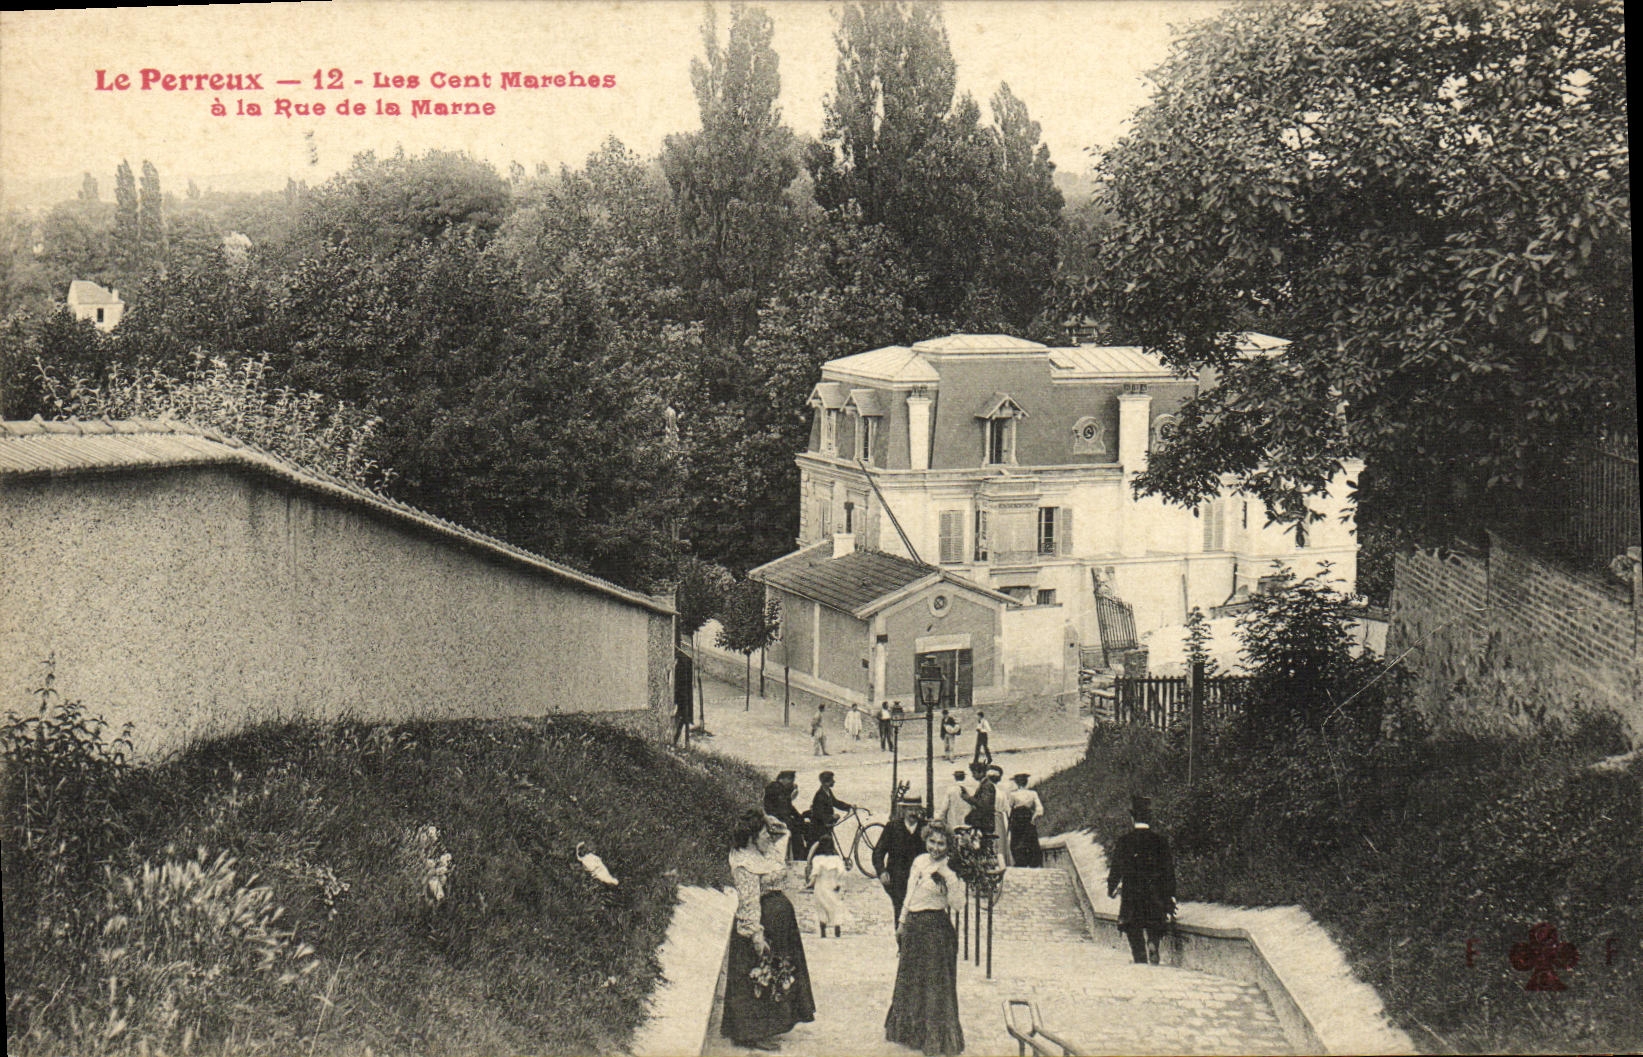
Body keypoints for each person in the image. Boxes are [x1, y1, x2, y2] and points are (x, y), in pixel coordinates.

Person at [723, 808, 816, 1050]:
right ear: (752, 836)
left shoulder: (765, 852)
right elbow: (749, 900)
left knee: (776, 972)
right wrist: (756, 934)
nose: (769, 836)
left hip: (779, 924)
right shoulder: (744, 860)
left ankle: (770, 1026)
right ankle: (752, 1032)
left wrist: (768, 819)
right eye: (764, 832)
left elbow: (783, 831)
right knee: (760, 974)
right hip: (762, 925)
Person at [884, 822, 965, 1055]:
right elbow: (909, 894)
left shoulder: (950, 868)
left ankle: (935, 1038)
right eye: (932, 841)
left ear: (948, 845)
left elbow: (958, 905)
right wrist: (901, 922)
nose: (936, 848)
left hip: (936, 930)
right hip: (914, 927)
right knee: (911, 980)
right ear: (926, 840)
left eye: (941, 843)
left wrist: (950, 878)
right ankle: (910, 1034)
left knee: (933, 985)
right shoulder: (919, 861)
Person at [1106, 795, 1177, 965]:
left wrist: (1112, 887)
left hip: (1132, 893)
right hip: (1155, 893)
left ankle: (1140, 958)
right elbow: (1168, 870)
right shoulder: (1160, 841)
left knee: (1132, 926)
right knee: (1154, 922)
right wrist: (1171, 894)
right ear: (1149, 818)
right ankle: (1153, 942)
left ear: (1132, 818)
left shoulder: (1124, 841)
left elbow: (1116, 867)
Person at [871, 800, 927, 925]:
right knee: (901, 914)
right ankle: (901, 942)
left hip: (920, 881)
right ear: (904, 810)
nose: (913, 813)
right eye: (910, 809)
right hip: (897, 881)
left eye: (916, 809)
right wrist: (882, 872)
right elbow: (878, 853)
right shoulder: (892, 827)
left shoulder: (925, 827)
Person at [807, 771, 855, 858]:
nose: (834, 781)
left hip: (825, 827)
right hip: (819, 829)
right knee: (825, 851)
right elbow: (819, 814)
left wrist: (849, 806)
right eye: (832, 780)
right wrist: (831, 817)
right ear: (826, 782)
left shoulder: (827, 791)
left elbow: (835, 802)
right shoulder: (820, 795)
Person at [763, 770, 809, 860]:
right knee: (799, 829)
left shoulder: (778, 788)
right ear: (783, 779)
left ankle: (801, 855)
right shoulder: (777, 789)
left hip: (777, 818)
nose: (792, 783)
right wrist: (798, 819)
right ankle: (799, 857)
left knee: (801, 825)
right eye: (791, 780)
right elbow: (783, 809)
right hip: (777, 819)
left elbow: (789, 806)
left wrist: (799, 817)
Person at [1007, 773, 1045, 868]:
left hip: (1017, 818)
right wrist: (1034, 817)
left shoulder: (1013, 794)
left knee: (1017, 840)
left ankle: (1021, 862)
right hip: (1028, 818)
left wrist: (1009, 820)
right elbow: (1039, 808)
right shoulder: (1033, 793)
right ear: (1026, 782)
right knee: (1030, 840)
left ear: (1016, 783)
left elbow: (1009, 808)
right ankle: (1033, 862)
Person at [961, 762, 996, 836]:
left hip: (984, 822)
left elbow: (984, 804)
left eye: (974, 773)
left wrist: (969, 798)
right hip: (983, 822)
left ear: (981, 772)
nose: (973, 776)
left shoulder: (987, 785)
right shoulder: (984, 784)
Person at [940, 770, 970, 835]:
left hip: (954, 823)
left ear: (955, 778)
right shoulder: (970, 789)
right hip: (967, 823)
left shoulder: (950, 790)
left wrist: (941, 818)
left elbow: (944, 807)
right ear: (964, 777)